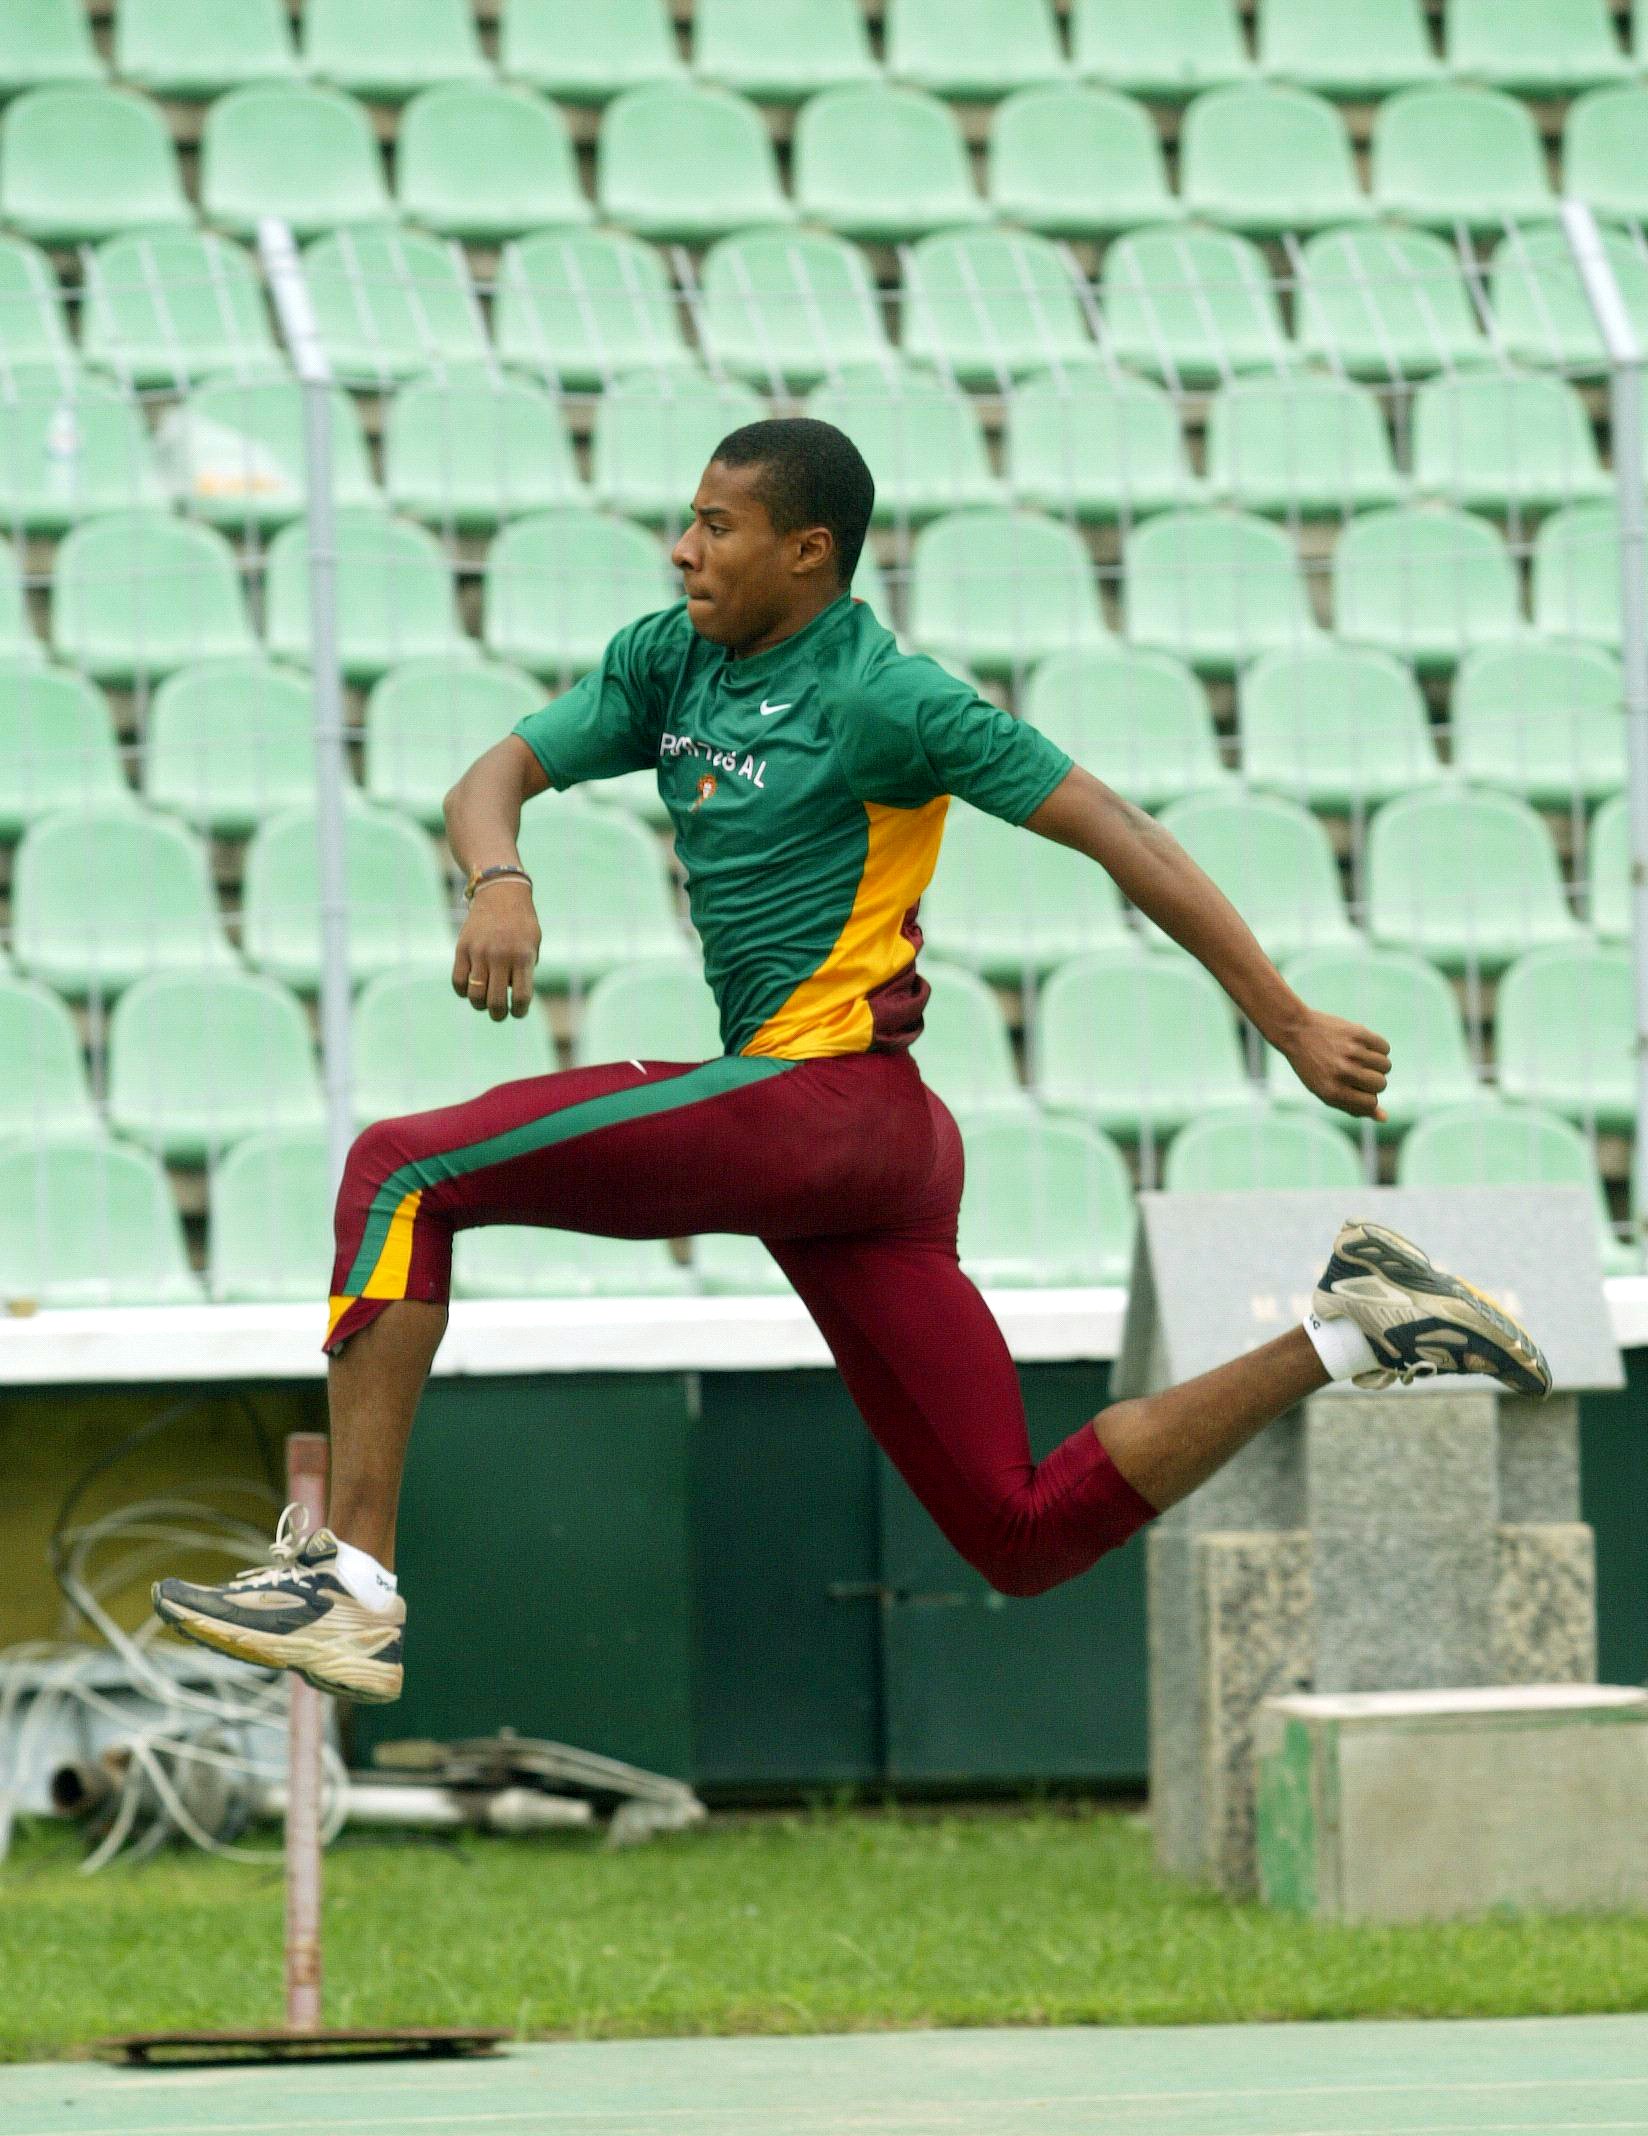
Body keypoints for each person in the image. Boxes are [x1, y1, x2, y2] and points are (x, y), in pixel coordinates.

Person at [153, 419, 1551, 1705]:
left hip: (831, 1109)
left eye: (717, 525)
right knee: (1018, 1529)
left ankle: (352, 1584)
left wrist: (1288, 1018)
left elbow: (1122, 832)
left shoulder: (892, 698)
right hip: (848, 1153)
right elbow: (490, 775)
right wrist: (498, 874)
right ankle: (1355, 1325)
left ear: (807, 552)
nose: (684, 548)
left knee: (402, 1168)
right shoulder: (671, 658)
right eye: (687, 520)